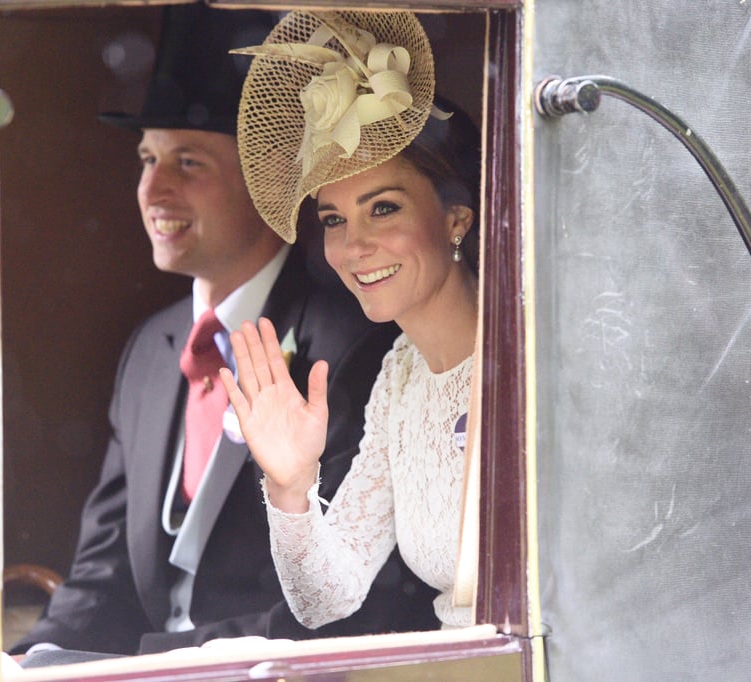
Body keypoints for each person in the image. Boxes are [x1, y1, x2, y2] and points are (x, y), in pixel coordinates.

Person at [9, 5, 439, 663]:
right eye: (147, 158)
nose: (154, 188)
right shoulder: (150, 350)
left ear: (267, 177)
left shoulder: (353, 344)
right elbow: (103, 579)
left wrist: (151, 664)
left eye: (189, 162)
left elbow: (355, 610)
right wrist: (25, 663)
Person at [220, 9, 482, 630]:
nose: (352, 248)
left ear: (456, 220)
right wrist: (290, 487)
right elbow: (326, 601)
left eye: (383, 209)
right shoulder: (401, 376)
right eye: (334, 219)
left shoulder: (528, 356)